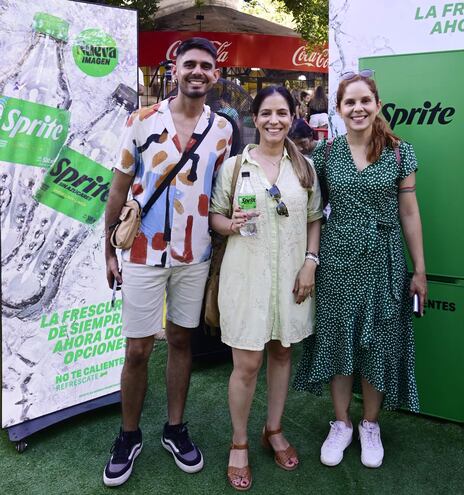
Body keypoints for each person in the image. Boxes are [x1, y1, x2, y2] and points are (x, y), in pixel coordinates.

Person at [103, 37, 234, 487]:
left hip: (194, 253)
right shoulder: (140, 121)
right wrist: (108, 249)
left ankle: (175, 429)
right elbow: (118, 188)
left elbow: (217, 191)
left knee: (181, 341)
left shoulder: (223, 130)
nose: (198, 72)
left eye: (206, 66)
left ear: (215, 75)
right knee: (138, 348)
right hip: (141, 251)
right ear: (174, 69)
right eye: (189, 64)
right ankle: (128, 435)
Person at [294, 71, 427, 469]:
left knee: (378, 345)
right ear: (338, 109)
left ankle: (370, 425)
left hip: (385, 261)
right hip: (336, 260)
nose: (358, 108)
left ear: (377, 105)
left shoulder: (402, 153)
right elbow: (313, 212)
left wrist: (419, 269)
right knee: (338, 341)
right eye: (349, 102)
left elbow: (409, 212)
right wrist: (310, 260)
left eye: (364, 101)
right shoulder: (326, 154)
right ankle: (341, 424)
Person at [210, 86, 322, 491]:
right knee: (247, 364)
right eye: (266, 113)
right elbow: (215, 218)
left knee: (281, 351)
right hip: (245, 278)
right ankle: (239, 441)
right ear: (254, 119)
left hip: (292, 277)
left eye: (283, 113)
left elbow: (314, 218)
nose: (275, 120)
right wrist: (230, 224)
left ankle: (272, 428)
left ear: (293, 117)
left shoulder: (304, 167)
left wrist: (311, 262)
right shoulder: (234, 166)